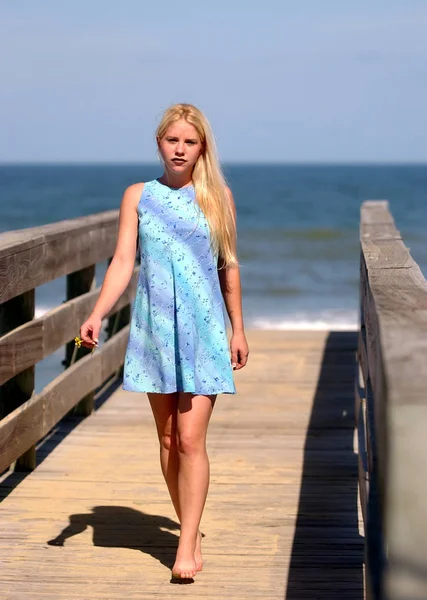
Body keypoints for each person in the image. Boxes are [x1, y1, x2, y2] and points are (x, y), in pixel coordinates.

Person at [79, 103, 249, 580]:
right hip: (155, 330)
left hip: (205, 331)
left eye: (189, 142)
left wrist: (238, 327)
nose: (179, 148)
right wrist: (96, 314)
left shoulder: (218, 197)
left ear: (202, 148)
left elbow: (228, 267)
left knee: (191, 438)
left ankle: (187, 544)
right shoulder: (138, 195)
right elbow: (121, 262)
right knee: (169, 438)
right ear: (159, 143)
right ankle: (188, 527)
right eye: (172, 140)